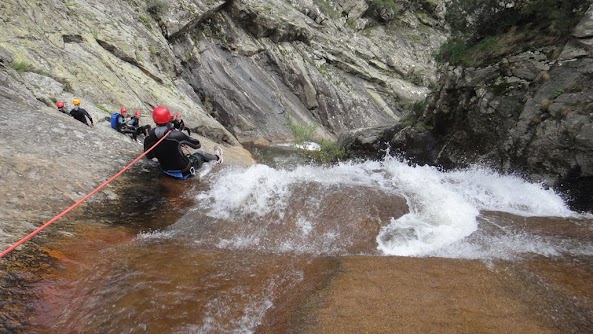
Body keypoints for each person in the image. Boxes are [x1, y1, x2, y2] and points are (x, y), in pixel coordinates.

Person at [144, 106, 222, 179]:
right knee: (200, 154)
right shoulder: (176, 135)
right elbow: (197, 145)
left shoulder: (148, 137)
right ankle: (218, 158)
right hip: (184, 170)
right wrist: (182, 138)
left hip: (166, 170)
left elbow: (149, 156)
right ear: (169, 119)